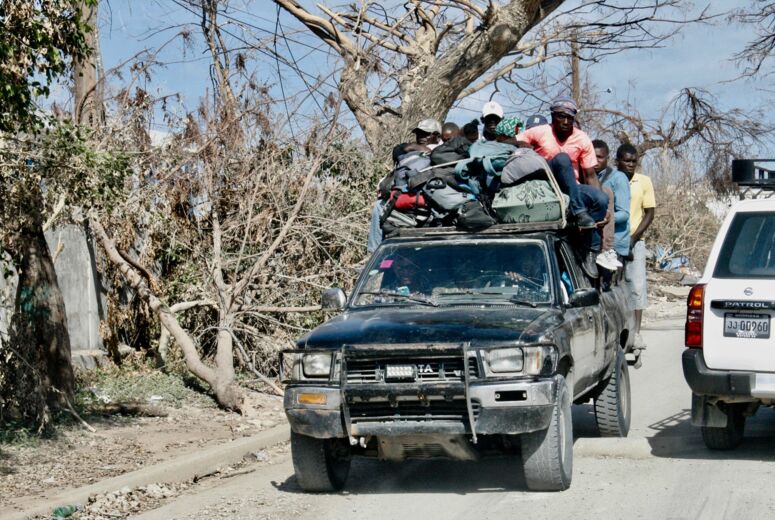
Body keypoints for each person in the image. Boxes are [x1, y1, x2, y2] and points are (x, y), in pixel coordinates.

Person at [515, 96, 608, 231]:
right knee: (562, 159)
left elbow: (591, 176)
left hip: (571, 188)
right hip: (546, 184)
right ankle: (579, 211)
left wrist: (603, 208)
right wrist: (522, 144)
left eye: (569, 118)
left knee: (601, 199)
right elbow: (508, 141)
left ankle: (591, 248)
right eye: (561, 117)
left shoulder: (582, 138)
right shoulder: (540, 131)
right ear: (553, 116)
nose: (565, 122)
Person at [368, 119, 442, 252]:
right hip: (406, 198)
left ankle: (374, 252)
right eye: (419, 133)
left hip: (427, 201)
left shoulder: (441, 151)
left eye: (426, 134)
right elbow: (397, 150)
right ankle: (374, 254)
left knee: (379, 208)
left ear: (437, 136)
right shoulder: (412, 151)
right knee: (379, 207)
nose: (421, 137)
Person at [619, 143, 655, 351]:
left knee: (637, 286)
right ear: (618, 161)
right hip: (614, 242)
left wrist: (634, 237)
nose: (631, 164)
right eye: (627, 160)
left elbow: (649, 213)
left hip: (635, 241)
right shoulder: (611, 179)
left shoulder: (644, 182)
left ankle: (637, 334)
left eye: (634, 161)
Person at [592, 140, 629, 271]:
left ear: (607, 158)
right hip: (594, 243)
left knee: (611, 289)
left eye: (600, 157)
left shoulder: (617, 178)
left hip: (614, 246)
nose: (595, 161)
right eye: (592, 156)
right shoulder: (588, 176)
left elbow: (624, 214)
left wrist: (602, 218)